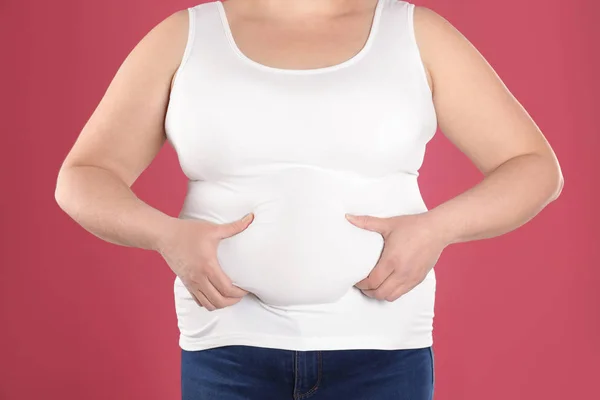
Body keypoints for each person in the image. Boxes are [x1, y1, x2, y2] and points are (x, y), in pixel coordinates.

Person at [54, 0, 564, 398]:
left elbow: (532, 167)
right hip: (227, 356)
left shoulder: (416, 35)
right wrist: (164, 235)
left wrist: (438, 228)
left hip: (381, 358)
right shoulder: (185, 37)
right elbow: (83, 176)